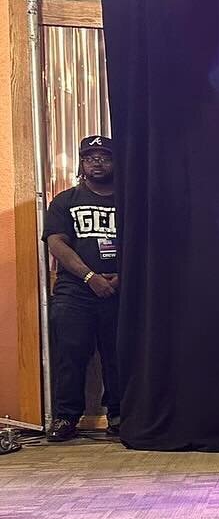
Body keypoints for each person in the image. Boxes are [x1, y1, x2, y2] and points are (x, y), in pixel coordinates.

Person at [43, 135, 123, 441]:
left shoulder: (128, 201)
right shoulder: (65, 201)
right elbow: (56, 243)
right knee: (71, 353)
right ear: (81, 163)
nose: (97, 162)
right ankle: (66, 417)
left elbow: (144, 243)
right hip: (75, 290)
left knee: (119, 354)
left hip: (120, 289)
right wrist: (91, 277)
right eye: (90, 157)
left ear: (116, 162)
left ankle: (118, 414)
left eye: (104, 157)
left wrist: (122, 277)